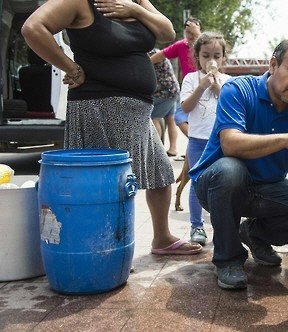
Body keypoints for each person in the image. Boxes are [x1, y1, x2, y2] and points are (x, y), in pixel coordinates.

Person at [22, 0, 202, 256]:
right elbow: (33, 28)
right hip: (100, 106)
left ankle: (161, 237)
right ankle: (100, 246)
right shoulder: (79, 2)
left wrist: (135, 9)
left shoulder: (137, 1)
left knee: (160, 173)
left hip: (138, 112)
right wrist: (71, 68)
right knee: (106, 184)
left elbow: (167, 33)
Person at [189, 40, 288, 289]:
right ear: (273, 65)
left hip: (267, 189)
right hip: (217, 185)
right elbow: (230, 144)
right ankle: (228, 259)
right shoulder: (238, 90)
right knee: (231, 169)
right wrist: (287, 139)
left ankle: (253, 234)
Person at [180, 31, 231, 246]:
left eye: (216, 56)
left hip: (221, 140)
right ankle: (196, 225)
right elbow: (185, 107)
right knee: (197, 182)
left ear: (223, 58)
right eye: (206, 55)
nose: (211, 60)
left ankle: (222, 226)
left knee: (223, 183)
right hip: (198, 140)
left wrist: (219, 88)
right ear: (197, 57)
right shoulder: (191, 79)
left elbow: (230, 109)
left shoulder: (228, 81)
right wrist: (202, 87)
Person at [151, 17, 201, 140]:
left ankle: (198, 141)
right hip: (188, 87)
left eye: (194, 33)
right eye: (188, 33)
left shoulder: (204, 44)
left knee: (188, 117)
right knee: (178, 117)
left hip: (203, 84)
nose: (191, 36)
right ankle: (194, 142)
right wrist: (147, 62)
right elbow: (163, 53)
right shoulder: (181, 45)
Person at [149, 49, 180, 156]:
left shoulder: (151, 55)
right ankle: (173, 148)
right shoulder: (158, 51)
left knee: (154, 118)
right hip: (173, 90)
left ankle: (157, 151)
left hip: (164, 92)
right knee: (170, 119)